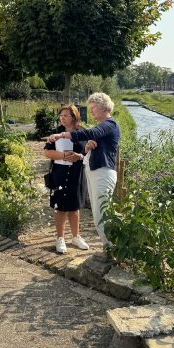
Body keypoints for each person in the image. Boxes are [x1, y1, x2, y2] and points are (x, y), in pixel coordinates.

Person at [47, 93, 120, 246]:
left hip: (102, 173)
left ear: (104, 107)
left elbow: (91, 133)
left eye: (93, 108)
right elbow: (91, 151)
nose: (91, 111)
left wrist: (64, 135)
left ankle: (112, 250)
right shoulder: (102, 127)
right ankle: (109, 249)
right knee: (98, 216)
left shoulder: (109, 124)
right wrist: (87, 149)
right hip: (95, 173)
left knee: (102, 216)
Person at [44, 105, 90, 254]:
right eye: (61, 115)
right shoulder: (56, 133)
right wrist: (64, 155)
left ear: (74, 117)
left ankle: (76, 237)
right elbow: (47, 152)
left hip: (76, 173)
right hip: (59, 172)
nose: (62, 118)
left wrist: (82, 154)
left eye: (66, 115)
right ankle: (60, 238)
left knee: (74, 206)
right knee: (60, 207)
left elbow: (86, 151)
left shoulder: (82, 132)